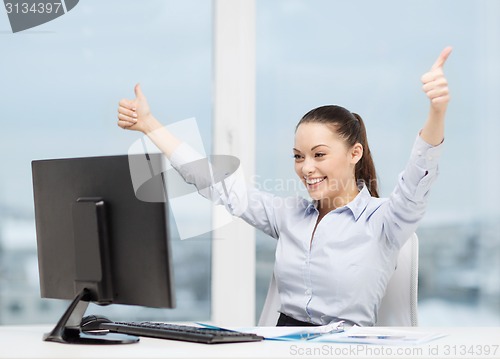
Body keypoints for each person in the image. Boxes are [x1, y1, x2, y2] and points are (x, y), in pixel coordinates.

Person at [117, 47, 452, 327]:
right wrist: (149, 125)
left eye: (319, 154)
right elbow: (214, 181)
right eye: (298, 156)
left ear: (355, 153)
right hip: (277, 346)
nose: (306, 168)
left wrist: (436, 111)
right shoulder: (289, 215)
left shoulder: (385, 221)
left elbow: (416, 181)